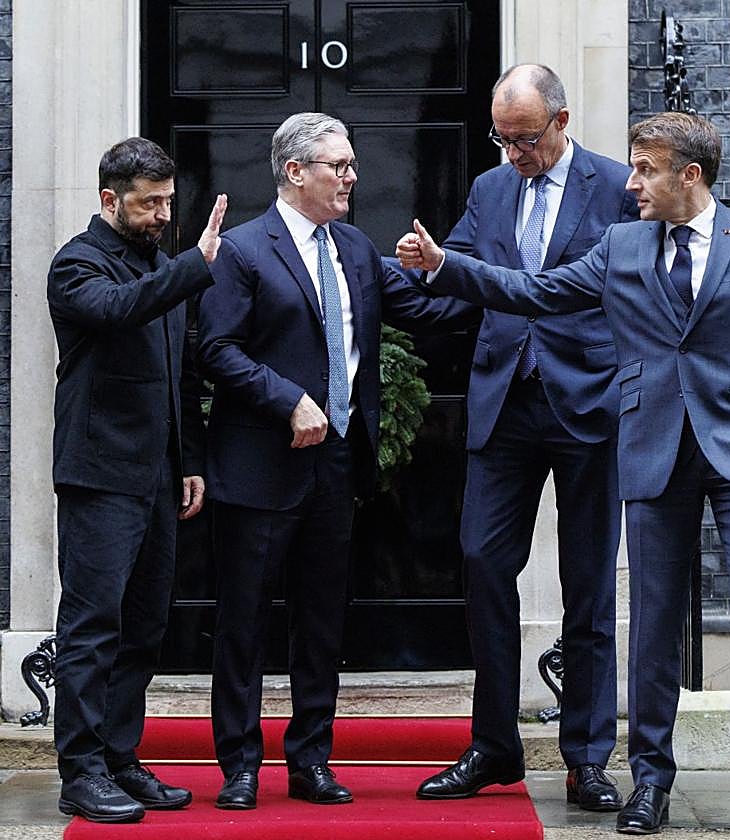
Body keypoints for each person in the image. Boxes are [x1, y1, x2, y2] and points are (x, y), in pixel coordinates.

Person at [398, 111, 730, 837]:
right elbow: (538, 292)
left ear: (688, 175)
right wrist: (446, 267)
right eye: (631, 167)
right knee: (653, 623)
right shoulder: (622, 245)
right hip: (653, 445)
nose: (630, 184)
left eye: (645, 170)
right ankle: (651, 780)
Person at [198, 112, 478, 811]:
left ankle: (310, 760)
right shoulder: (242, 251)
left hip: (335, 467)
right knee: (245, 621)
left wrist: (466, 279)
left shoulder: (353, 248)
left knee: (322, 620)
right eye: (338, 166)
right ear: (295, 172)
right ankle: (238, 764)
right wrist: (286, 399)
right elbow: (216, 349)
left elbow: (425, 310)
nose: (352, 176)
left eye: (351, 165)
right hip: (260, 465)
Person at [413, 64, 637, 812]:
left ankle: (587, 758)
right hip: (503, 400)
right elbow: (455, 273)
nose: (514, 153)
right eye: (502, 138)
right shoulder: (489, 188)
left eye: (526, 138)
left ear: (562, 123)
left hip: (588, 403)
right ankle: (493, 747)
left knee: (589, 589)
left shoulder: (617, 187)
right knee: (481, 565)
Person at [48, 137, 228, 823]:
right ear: (109, 199)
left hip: (157, 477)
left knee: (144, 628)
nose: (161, 215)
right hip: (99, 475)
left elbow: (181, 375)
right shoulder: (78, 264)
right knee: (93, 626)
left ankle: (120, 759)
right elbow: (119, 312)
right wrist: (192, 266)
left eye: (166, 203)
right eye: (149, 204)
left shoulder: (159, 265)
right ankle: (81, 770)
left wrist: (190, 462)